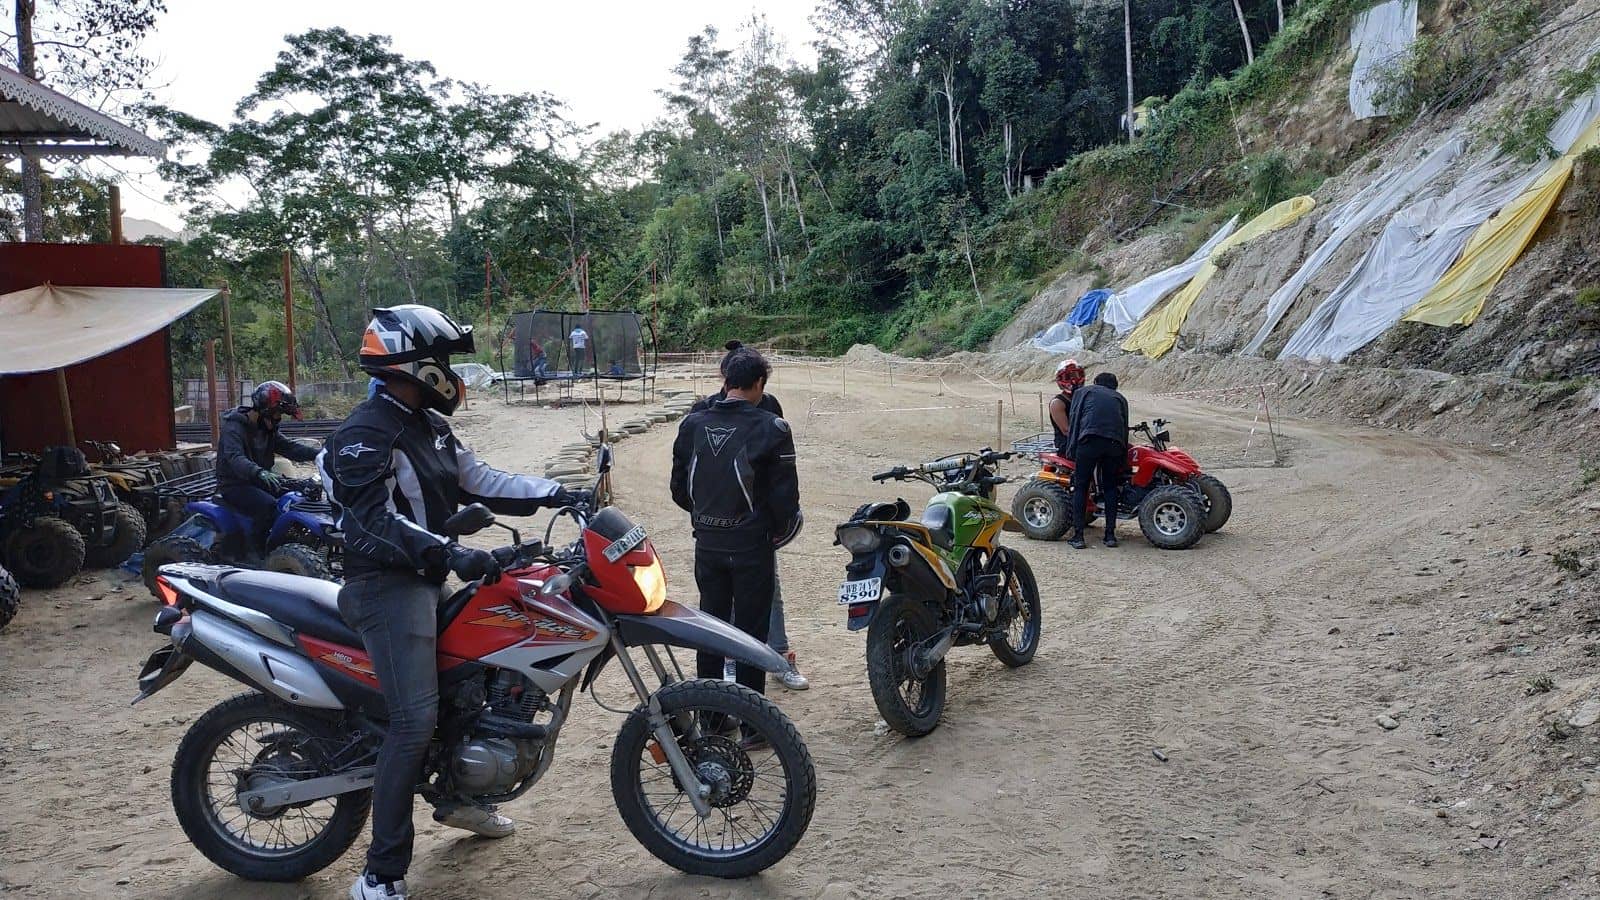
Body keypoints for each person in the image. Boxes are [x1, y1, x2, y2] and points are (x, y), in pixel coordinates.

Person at [321, 305, 588, 900]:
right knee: (414, 719)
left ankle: (464, 797)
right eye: (441, 360)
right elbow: (369, 524)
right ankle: (380, 874)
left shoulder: (427, 426)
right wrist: (450, 553)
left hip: (429, 572)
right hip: (387, 586)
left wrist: (556, 492)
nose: (449, 372)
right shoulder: (365, 433)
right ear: (413, 364)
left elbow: (481, 478)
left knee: (477, 682)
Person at [670, 347, 802, 707]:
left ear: (725, 381)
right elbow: (786, 502)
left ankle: (711, 719)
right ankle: (751, 723)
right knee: (751, 635)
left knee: (711, 628)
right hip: (751, 546)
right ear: (759, 383)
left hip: (708, 544)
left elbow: (680, 490)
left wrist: (709, 519)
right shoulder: (772, 427)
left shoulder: (693, 423)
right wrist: (766, 533)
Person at [215, 380, 318, 554]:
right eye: (276, 415)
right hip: (235, 484)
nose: (278, 420)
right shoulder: (234, 428)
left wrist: (320, 454)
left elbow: (290, 448)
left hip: (258, 479)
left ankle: (290, 541)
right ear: (263, 411)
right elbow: (235, 458)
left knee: (301, 494)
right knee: (268, 505)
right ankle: (258, 553)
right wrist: (258, 472)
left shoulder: (268, 429)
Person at [1065, 371, 1130, 550]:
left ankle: (1078, 537)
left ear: (1095, 382)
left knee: (1081, 486)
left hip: (1089, 440)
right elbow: (1124, 428)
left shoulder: (1084, 392)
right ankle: (1110, 536)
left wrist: (1071, 450)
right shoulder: (1120, 398)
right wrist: (1122, 458)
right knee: (1110, 487)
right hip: (1114, 444)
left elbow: (1076, 420)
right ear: (1114, 386)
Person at [1048, 359, 1086, 457]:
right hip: (1068, 445)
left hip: (1085, 441)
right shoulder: (1057, 403)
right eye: (1068, 377)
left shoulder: (1085, 398)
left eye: (1076, 375)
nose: (1073, 380)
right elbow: (1066, 431)